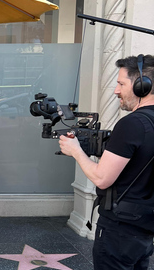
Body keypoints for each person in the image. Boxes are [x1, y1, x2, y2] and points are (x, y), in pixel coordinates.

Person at [59, 54, 154, 270]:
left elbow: (102, 179)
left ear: (142, 86)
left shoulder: (132, 124)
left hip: (120, 228)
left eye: (121, 83)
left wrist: (76, 151)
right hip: (145, 227)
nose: (116, 90)